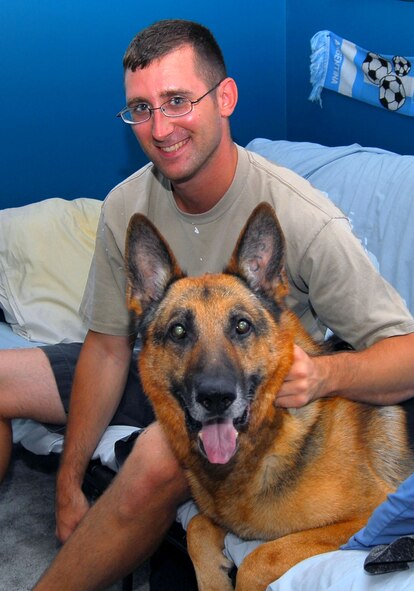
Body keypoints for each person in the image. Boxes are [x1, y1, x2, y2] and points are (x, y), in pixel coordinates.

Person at [0, 18, 413, 591]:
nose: (159, 127)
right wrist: (68, 485)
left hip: (255, 394)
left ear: (225, 97)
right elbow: (107, 346)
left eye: (176, 101)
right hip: (161, 366)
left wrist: (320, 374)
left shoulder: (301, 217)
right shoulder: (126, 206)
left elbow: (408, 353)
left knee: (157, 458)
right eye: (141, 108)